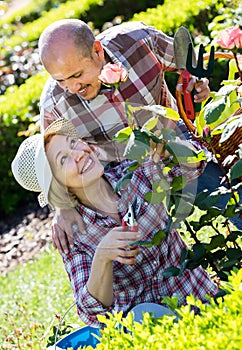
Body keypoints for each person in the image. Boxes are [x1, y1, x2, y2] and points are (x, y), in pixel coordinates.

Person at [11, 118, 218, 328]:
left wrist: (167, 148)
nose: (79, 154)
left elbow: (195, 163)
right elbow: (92, 312)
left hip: (202, 297)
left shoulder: (134, 173)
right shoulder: (73, 233)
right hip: (152, 330)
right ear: (58, 185)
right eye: (63, 159)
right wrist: (102, 257)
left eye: (73, 143)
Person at [38, 19, 214, 253]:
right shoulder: (54, 103)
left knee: (226, 191)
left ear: (97, 52)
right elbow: (51, 159)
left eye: (77, 75)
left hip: (173, 139)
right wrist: (62, 207)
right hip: (122, 173)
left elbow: (185, 62)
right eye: (61, 80)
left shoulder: (139, 40)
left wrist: (196, 82)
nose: (71, 87)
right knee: (148, 251)